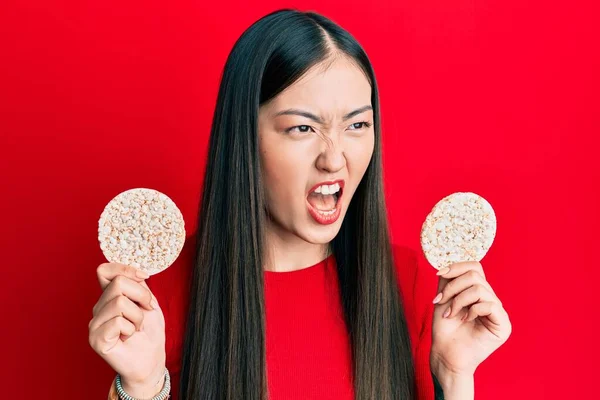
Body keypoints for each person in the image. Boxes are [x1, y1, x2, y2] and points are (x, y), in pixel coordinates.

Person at [88, 9, 512, 400]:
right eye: (302, 127)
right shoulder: (153, 303)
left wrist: (455, 379)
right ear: (244, 139)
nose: (334, 157)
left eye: (358, 125)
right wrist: (142, 387)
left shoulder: (414, 287)